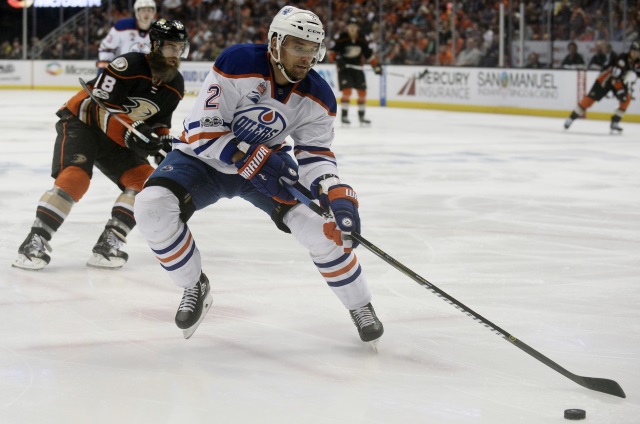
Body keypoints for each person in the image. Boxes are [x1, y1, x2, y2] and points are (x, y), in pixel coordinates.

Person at [133, 6, 385, 346]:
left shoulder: (319, 96)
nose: (307, 56)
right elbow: (205, 132)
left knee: (322, 229)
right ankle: (194, 286)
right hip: (204, 159)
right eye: (298, 46)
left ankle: (360, 306)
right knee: (151, 207)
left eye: (312, 48)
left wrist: (333, 189)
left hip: (267, 164)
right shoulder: (238, 63)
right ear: (276, 43)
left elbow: (316, 155)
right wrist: (250, 161)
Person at [13, 19, 189, 271]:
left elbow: (159, 121)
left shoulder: (175, 84)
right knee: (75, 178)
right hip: (83, 124)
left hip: (117, 136)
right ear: (156, 45)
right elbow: (101, 109)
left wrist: (160, 144)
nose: (177, 54)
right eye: (171, 47)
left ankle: (110, 242)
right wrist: (135, 134)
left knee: (146, 183)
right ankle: (35, 241)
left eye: (180, 48)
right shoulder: (128, 65)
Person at [564, 40, 640, 133]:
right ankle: (571, 118)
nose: (635, 53)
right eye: (634, 51)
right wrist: (620, 90)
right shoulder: (622, 59)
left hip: (618, 80)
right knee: (589, 100)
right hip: (605, 80)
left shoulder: (637, 61)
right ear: (630, 51)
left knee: (626, 98)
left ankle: (615, 122)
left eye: (637, 51)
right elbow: (614, 77)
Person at [330, 17, 382, 125]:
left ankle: (362, 116)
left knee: (362, 93)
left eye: (354, 27)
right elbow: (332, 53)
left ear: (357, 28)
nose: (352, 29)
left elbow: (368, 54)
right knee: (347, 92)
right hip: (344, 69)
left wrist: (376, 66)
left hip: (358, 68)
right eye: (350, 27)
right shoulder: (342, 37)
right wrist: (338, 59)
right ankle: (344, 116)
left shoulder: (362, 38)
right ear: (347, 27)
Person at [96, 0, 157, 74]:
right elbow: (106, 48)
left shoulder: (159, 32)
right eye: (143, 10)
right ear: (137, 12)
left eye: (149, 10)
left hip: (146, 76)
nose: (146, 13)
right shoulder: (122, 26)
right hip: (122, 74)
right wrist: (104, 69)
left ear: (154, 13)